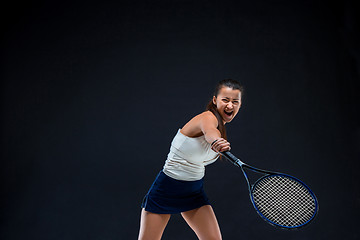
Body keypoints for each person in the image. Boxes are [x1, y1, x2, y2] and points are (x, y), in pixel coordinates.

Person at [138, 79, 243, 240]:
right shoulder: (207, 118)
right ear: (215, 100)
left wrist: (218, 138)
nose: (230, 106)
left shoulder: (221, 126)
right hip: (167, 188)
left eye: (235, 101)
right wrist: (216, 141)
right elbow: (209, 132)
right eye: (225, 100)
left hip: (194, 191)